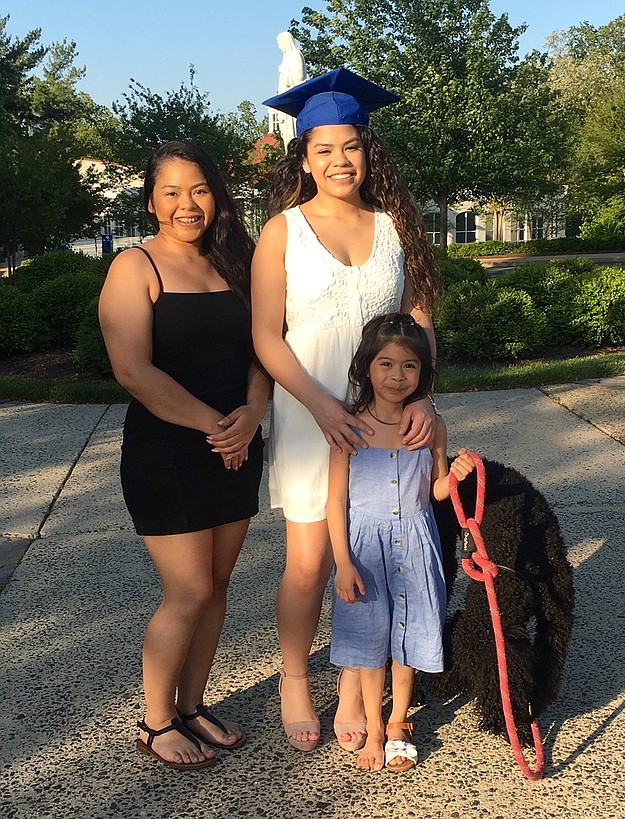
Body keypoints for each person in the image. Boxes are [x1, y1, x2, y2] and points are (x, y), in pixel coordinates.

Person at [249, 68, 442, 752]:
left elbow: (418, 317)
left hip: (388, 417)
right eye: (323, 148)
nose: (339, 160)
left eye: (351, 146)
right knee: (311, 560)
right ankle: (295, 679)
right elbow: (265, 337)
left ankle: (360, 686)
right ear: (303, 157)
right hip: (312, 415)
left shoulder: (394, 227)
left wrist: (420, 392)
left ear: (368, 151)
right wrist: (325, 407)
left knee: (379, 551)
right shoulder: (283, 231)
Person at [98, 140, 270, 769]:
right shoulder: (134, 267)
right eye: (171, 192)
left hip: (238, 442)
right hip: (169, 450)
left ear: (216, 195)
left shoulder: (237, 264)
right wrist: (215, 427)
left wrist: (250, 417)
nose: (187, 204)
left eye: (198, 189)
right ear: (151, 202)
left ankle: (194, 706)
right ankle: (156, 720)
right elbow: (133, 370)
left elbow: (264, 349)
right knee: (189, 588)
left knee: (219, 585)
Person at [328, 313, 476, 771]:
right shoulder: (349, 426)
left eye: (409, 366)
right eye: (386, 364)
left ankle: (397, 723)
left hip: (415, 543)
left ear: (422, 373)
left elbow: (434, 492)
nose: (397, 376)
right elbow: (335, 502)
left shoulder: (431, 427)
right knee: (371, 642)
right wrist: (344, 563)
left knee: (408, 636)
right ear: (366, 368)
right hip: (365, 551)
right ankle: (372, 729)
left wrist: (453, 476)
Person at [274, 31, 306, 151]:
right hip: (284, 97)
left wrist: (284, 72)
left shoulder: (295, 55)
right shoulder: (286, 57)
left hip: (291, 98)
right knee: (286, 133)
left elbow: (299, 77)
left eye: (279, 43)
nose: (279, 46)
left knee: (292, 131)